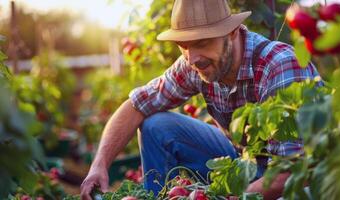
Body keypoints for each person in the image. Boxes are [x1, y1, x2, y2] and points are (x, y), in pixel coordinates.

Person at [80, 0, 321, 199]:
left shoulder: (279, 65)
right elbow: (137, 104)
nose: (192, 58)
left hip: (293, 175)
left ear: (233, 32)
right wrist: (99, 164)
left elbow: (289, 170)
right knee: (157, 126)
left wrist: (225, 197)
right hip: (244, 162)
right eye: (183, 46)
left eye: (202, 43)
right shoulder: (195, 63)